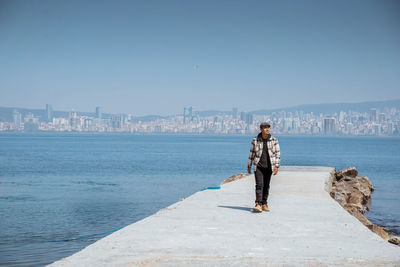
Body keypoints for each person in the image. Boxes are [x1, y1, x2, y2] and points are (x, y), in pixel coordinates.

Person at [247, 122, 280, 212]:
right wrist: (249, 165)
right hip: (258, 166)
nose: (267, 129)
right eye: (265, 128)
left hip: (269, 166)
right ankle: (258, 204)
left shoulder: (274, 140)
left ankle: (264, 203)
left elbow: (277, 154)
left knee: (266, 185)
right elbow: (252, 153)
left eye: (268, 127)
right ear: (261, 129)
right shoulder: (255, 140)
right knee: (259, 185)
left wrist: (276, 166)